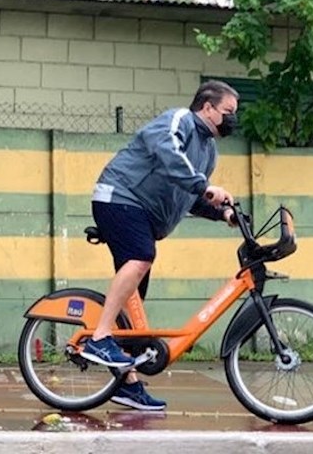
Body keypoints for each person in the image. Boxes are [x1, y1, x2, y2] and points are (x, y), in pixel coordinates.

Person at [81, 80, 239, 411]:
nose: (232, 120)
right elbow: (167, 153)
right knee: (141, 256)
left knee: (134, 304)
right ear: (207, 108)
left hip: (142, 214)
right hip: (120, 196)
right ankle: (99, 338)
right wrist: (205, 187)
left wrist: (222, 212)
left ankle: (126, 383)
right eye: (228, 112)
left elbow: (192, 197)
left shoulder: (208, 151)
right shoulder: (179, 119)